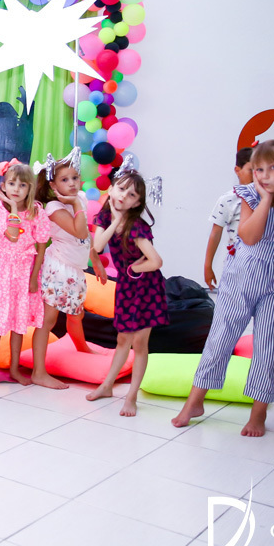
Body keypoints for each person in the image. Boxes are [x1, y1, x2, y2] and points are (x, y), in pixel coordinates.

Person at [173, 139, 274, 436]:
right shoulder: (250, 194)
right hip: (243, 271)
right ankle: (195, 401)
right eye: (259, 169)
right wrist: (266, 199)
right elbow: (249, 237)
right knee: (221, 335)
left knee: (271, 345)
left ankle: (258, 413)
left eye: (273, 168)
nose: (263, 175)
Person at [87, 170, 167, 416]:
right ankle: (107, 386)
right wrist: (115, 220)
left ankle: (132, 396)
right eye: (121, 189)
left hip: (146, 288)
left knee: (140, 343)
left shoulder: (137, 228)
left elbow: (156, 261)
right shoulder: (105, 216)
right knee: (123, 338)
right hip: (126, 286)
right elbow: (98, 246)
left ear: (137, 203)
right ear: (111, 189)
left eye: (131, 194)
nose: (124, 196)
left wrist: (133, 269)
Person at [32, 151, 107, 387]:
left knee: (76, 315)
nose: (72, 183)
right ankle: (38, 372)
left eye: (75, 177)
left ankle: (82, 348)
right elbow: (79, 230)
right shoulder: (54, 207)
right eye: (65, 180)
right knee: (49, 319)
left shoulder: (80, 198)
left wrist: (95, 260)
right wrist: (75, 204)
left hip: (75, 269)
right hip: (58, 267)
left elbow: (86, 238)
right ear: (53, 186)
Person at [0, 160, 45, 389]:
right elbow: (13, 235)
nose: (16, 189)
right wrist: (14, 208)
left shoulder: (37, 211)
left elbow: (42, 245)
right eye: (12, 183)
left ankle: (14, 368)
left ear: (29, 188)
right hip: (3, 270)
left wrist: (34, 277)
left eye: (22, 185)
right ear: (4, 186)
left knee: (19, 322)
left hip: (25, 270)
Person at [204, 147, 255, 289]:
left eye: (261, 170)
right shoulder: (228, 199)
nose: (256, 176)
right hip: (237, 265)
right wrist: (208, 266)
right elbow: (215, 233)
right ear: (237, 170)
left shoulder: (268, 199)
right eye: (251, 170)